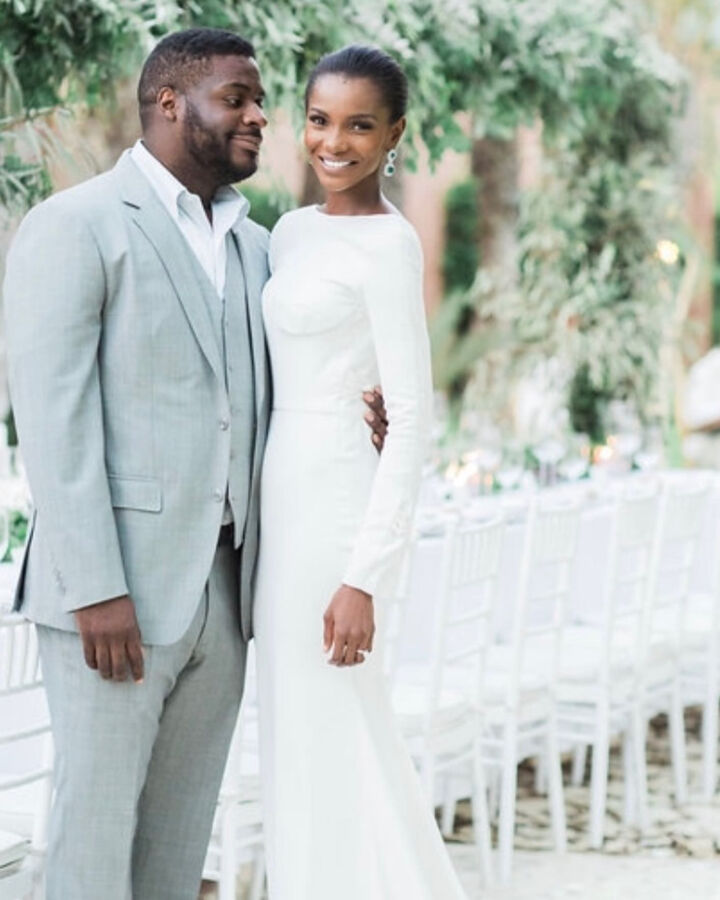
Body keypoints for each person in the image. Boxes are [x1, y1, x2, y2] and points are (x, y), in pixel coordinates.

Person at [3, 28, 384, 900]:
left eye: (260, 102)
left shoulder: (258, 249)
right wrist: (95, 587)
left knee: (177, 851)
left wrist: (365, 413)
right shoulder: (77, 226)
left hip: (226, 592)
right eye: (238, 98)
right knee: (91, 844)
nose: (260, 117)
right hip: (113, 597)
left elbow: (287, 394)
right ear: (170, 104)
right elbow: (53, 423)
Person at [253, 45, 468, 899]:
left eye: (358, 125)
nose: (333, 141)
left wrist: (365, 577)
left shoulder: (391, 244)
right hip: (281, 499)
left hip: (338, 513)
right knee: (295, 734)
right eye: (318, 119)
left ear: (395, 136)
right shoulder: (290, 234)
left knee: (341, 721)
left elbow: (411, 417)